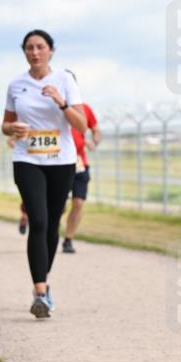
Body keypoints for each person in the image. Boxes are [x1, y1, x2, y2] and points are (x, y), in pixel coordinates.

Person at [2, 29, 86, 318]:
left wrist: (60, 102)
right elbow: (5, 124)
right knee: (37, 220)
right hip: (27, 159)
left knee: (51, 225)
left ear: (51, 50)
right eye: (29, 48)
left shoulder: (64, 80)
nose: (34, 52)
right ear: (24, 52)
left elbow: (82, 125)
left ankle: (43, 280)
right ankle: (40, 291)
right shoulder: (16, 84)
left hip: (61, 161)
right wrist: (12, 129)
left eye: (40, 47)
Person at [61, 70, 101, 254]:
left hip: (79, 162)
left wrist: (94, 141)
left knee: (78, 203)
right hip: (57, 162)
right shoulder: (52, 108)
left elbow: (96, 130)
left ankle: (68, 239)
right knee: (58, 206)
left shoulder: (85, 108)